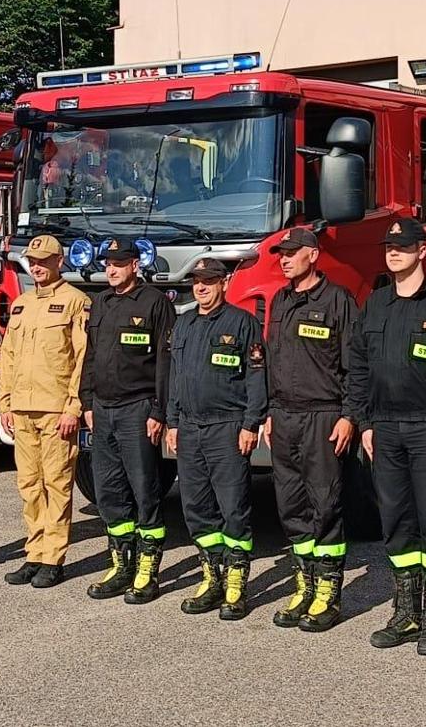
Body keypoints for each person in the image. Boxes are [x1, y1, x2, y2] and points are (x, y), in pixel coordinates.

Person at [348, 217, 426, 656]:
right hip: (383, 428)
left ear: (422, 251)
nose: (394, 252)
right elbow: (359, 368)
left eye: (403, 247)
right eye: (389, 246)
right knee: (397, 523)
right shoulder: (376, 304)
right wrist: (364, 423)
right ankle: (407, 613)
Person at [261, 227, 361, 632]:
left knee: (325, 504)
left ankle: (329, 594)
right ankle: (305, 584)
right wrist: (268, 411)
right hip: (283, 417)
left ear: (313, 256)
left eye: (292, 253)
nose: (284, 259)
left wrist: (349, 415)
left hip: (323, 416)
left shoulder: (337, 300)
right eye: (280, 254)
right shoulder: (280, 300)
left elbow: (356, 366)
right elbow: (272, 360)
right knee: (290, 504)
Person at [166, 257, 268, 621]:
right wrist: (172, 422)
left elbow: (257, 379)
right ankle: (213, 578)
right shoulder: (185, 325)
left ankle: (237, 584)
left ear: (223, 284)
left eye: (208, 281)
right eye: (196, 281)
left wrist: (251, 423)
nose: (201, 287)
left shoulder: (241, 323)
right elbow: (175, 378)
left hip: (227, 426)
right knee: (196, 508)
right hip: (190, 428)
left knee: (233, 507)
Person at [80, 238, 175, 604]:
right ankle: (121, 564)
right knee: (108, 492)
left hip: (138, 408)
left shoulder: (154, 303)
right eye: (108, 263)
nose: (112, 269)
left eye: (119, 263)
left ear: (135, 265)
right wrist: (86, 400)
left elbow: (166, 365)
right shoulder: (101, 302)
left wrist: (158, 411)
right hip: (102, 410)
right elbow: (90, 357)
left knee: (144, 490)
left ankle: (148, 571)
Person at [0, 234, 92, 589]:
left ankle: (53, 557)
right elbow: (8, 356)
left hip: (55, 410)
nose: (36, 267)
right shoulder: (21, 304)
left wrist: (73, 407)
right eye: (32, 261)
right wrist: (4, 401)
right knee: (29, 485)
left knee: (56, 484)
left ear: (60, 261)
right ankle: (33, 552)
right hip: (22, 408)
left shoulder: (75, 302)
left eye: (43, 260)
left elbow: (82, 359)